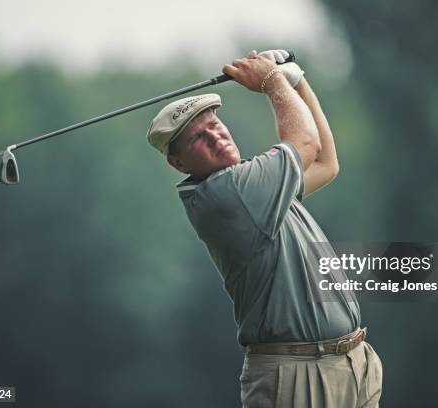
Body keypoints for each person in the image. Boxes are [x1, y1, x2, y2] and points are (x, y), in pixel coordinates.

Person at [146, 49, 382, 408]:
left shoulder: (259, 189)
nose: (215, 136)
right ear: (178, 162)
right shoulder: (228, 194)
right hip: (296, 373)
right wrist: (273, 82)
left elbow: (325, 163)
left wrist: (296, 79)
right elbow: (306, 142)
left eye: (214, 125)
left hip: (350, 363)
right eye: (197, 138)